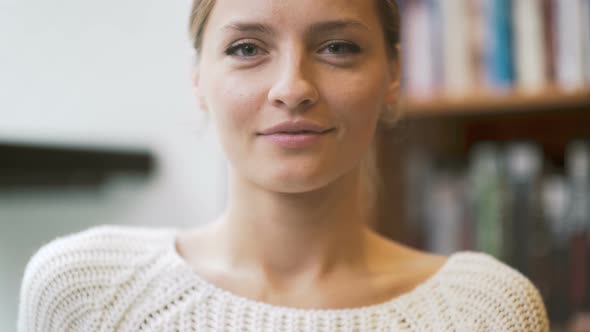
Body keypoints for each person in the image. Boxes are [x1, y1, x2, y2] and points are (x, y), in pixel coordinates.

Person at [17, 0, 550, 331]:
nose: (293, 88)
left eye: (338, 46)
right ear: (198, 78)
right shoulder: (85, 291)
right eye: (247, 48)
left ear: (393, 75)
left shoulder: (484, 312)